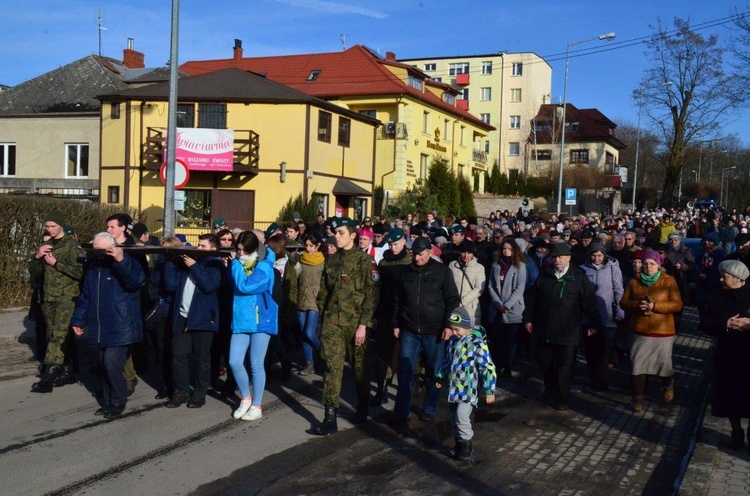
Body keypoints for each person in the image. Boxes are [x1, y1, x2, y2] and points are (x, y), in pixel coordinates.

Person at [313, 217, 380, 435]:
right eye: (335, 232)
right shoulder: (331, 260)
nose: (337, 236)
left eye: (341, 232)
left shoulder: (365, 262)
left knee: (359, 367)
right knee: (332, 368)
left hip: (355, 322)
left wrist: (363, 325)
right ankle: (329, 416)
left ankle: (362, 406)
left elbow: (371, 296)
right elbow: (323, 293)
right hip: (333, 321)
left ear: (353, 235)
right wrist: (321, 321)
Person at [71, 232, 145, 418]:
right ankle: (109, 399)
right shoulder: (92, 268)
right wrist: (78, 320)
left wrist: (121, 260)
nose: (99, 253)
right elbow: (86, 297)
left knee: (111, 362)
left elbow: (136, 282)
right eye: (96, 249)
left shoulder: (125, 262)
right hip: (100, 325)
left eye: (103, 249)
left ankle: (118, 401)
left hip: (121, 324)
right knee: (104, 363)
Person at [391, 236, 460, 430]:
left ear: (430, 252)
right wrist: (396, 323)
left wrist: (448, 325)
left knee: (434, 370)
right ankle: (402, 412)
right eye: (414, 254)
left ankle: (430, 408)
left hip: (435, 330)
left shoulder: (442, 272)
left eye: (421, 255)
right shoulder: (407, 272)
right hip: (410, 329)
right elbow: (398, 300)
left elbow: (452, 300)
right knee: (405, 370)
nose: (417, 258)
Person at [523, 242, 601, 411]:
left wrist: (594, 323)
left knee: (565, 366)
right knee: (546, 363)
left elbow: (589, 302)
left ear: (569, 258)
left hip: (568, 330)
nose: (557, 260)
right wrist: (528, 319)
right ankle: (550, 390)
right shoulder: (544, 275)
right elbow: (533, 300)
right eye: (554, 257)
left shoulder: (578, 277)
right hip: (546, 328)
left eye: (561, 257)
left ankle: (563, 397)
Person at [164, 233, 223, 409]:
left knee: (202, 359)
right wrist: (169, 261)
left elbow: (209, 285)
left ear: (213, 249)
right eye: (198, 245)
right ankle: (181, 390)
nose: (199, 248)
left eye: (203, 246)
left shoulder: (216, 264)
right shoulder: (187, 264)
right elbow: (170, 285)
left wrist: (195, 266)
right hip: (183, 316)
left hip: (203, 318)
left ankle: (199, 393)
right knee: (178, 355)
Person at [620, 250, 683, 412]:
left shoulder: (669, 281)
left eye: (652, 264)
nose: (648, 266)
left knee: (664, 365)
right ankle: (638, 398)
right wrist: (637, 305)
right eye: (645, 263)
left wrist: (655, 306)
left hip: (663, 331)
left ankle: (668, 385)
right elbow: (623, 303)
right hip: (639, 330)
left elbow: (677, 304)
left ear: (659, 265)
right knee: (637, 365)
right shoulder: (635, 281)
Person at [29, 209, 84, 393]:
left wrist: (56, 264)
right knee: (55, 334)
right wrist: (37, 257)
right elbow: (35, 272)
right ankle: (67, 370)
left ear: (61, 225)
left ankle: (48, 376)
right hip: (49, 297)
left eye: (52, 226)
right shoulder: (47, 245)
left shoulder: (73, 246)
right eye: (47, 226)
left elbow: (80, 272)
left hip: (67, 297)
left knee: (59, 335)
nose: (49, 229)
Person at [435, 307, 496, 461]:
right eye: (452, 330)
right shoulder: (453, 342)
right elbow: (447, 361)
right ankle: (459, 444)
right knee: (454, 416)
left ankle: (467, 445)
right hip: (454, 389)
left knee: (462, 415)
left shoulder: (477, 344)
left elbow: (488, 367)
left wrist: (489, 390)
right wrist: (441, 376)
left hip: (469, 389)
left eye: (457, 330)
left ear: (467, 326)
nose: (454, 333)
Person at [228, 230, 277, 421]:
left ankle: (257, 405)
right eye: (237, 250)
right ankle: (245, 398)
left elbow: (246, 286)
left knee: (256, 364)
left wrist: (233, 265)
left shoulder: (264, 266)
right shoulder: (239, 264)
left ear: (253, 250)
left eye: (243, 251)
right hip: (241, 318)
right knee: (234, 361)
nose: (239, 254)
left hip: (260, 319)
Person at [702, 260, 750, 449]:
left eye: (725, 276)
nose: (721, 279)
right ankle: (736, 433)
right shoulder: (716, 296)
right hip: (728, 353)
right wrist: (725, 325)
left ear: (738, 278)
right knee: (730, 396)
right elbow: (705, 324)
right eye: (720, 275)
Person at [371, 228, 412, 405]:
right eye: (390, 244)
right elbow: (377, 289)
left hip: (405, 315)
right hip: (385, 313)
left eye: (396, 244)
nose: (393, 248)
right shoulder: (384, 263)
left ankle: (409, 388)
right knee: (383, 353)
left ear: (403, 242)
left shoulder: (410, 262)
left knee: (406, 354)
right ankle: (382, 388)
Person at [580, 243, 624, 391]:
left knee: (604, 351)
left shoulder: (613, 268)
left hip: (606, 315)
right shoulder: (583, 269)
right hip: (588, 317)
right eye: (593, 255)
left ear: (604, 256)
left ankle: (603, 379)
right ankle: (592, 377)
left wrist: (620, 311)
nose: (596, 258)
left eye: (599, 255)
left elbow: (618, 290)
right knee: (590, 350)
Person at [487, 237, 526, 379]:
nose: (506, 251)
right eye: (504, 249)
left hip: (512, 309)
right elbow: (490, 285)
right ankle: (498, 365)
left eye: (509, 249)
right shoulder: (496, 265)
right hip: (497, 309)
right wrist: (498, 304)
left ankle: (508, 366)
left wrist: (507, 305)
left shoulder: (520, 266)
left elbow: (520, 287)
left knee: (511, 340)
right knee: (498, 340)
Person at [291, 232, 326, 376]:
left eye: (311, 246)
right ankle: (309, 362)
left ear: (317, 246)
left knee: (309, 333)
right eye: (306, 245)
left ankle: (325, 355)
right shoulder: (300, 259)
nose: (308, 248)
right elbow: (296, 275)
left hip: (315, 300)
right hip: (301, 299)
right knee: (303, 334)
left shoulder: (323, 261)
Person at [448, 240, 485, 326]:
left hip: (470, 307)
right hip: (453, 305)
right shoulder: (452, 265)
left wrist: (462, 301)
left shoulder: (479, 268)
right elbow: (448, 285)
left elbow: (479, 288)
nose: (466, 255)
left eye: (469, 253)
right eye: (463, 252)